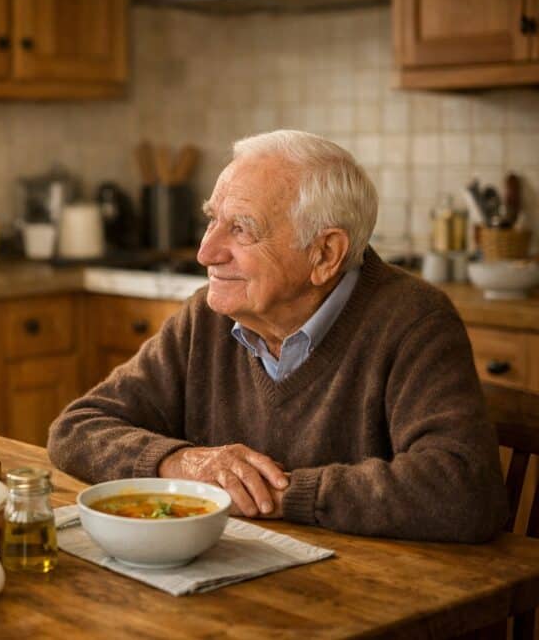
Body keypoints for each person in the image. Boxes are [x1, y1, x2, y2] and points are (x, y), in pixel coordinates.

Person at [48, 129, 508, 543]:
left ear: (325, 253)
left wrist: (276, 493)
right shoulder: (207, 318)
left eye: (241, 228)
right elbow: (76, 429)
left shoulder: (412, 320)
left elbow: (464, 490)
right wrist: (183, 464)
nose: (206, 252)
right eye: (212, 220)